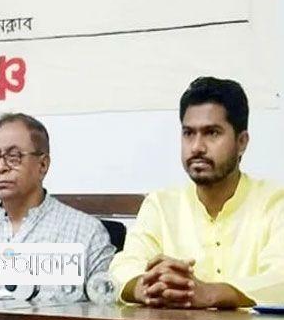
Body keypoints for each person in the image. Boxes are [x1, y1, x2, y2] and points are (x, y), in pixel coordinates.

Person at [110, 77, 284, 308]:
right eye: (189, 133)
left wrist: (211, 293)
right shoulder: (161, 205)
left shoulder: (275, 202)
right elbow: (122, 268)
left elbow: (279, 279)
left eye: (212, 133)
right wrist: (146, 287)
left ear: (242, 142)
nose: (197, 147)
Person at [0, 113, 115, 300]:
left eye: (13, 157)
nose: (0, 167)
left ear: (43, 165)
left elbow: (106, 306)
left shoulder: (87, 232)